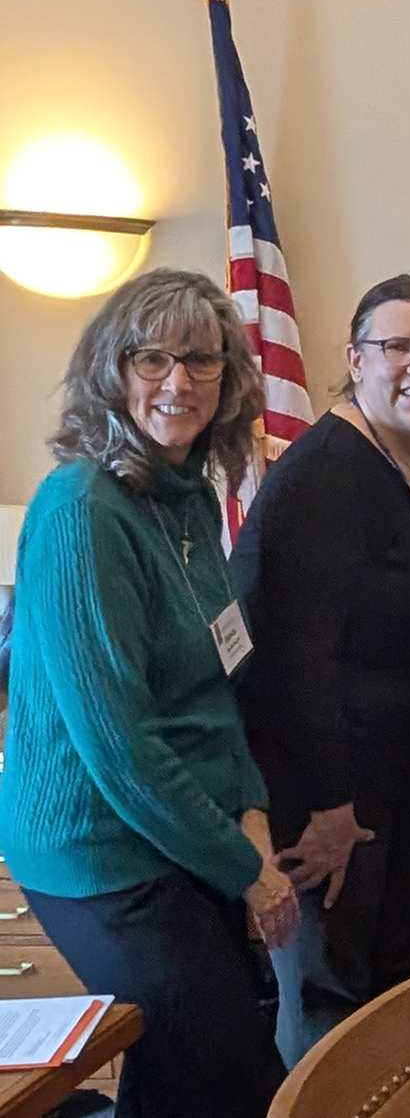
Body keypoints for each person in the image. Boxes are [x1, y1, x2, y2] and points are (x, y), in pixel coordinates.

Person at [0, 269, 294, 1116]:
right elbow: (119, 744)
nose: (179, 383)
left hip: (178, 837)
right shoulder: (82, 509)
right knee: (222, 1075)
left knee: (194, 1077)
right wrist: (247, 869)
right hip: (98, 854)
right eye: (153, 358)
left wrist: (252, 809)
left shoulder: (187, 499)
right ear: (112, 370)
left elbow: (217, 681)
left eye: (201, 361)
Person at [231, 273, 410, 1063]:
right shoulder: (322, 476)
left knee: (393, 982)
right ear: (354, 360)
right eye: (396, 345)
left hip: (397, 785)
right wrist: (329, 807)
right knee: (329, 1003)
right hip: (325, 799)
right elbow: (293, 662)